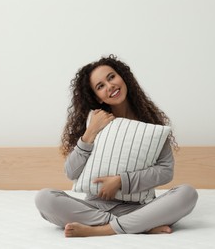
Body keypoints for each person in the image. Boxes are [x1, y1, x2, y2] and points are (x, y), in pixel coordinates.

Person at [35, 54, 198, 237]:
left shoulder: (151, 126)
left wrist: (122, 181)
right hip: (97, 208)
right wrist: (89, 134)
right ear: (98, 98)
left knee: (187, 194)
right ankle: (140, 226)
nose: (110, 85)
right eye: (100, 86)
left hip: (140, 207)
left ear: (123, 77)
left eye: (111, 77)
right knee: (44, 198)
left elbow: (165, 170)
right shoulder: (95, 122)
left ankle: (103, 230)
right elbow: (71, 173)